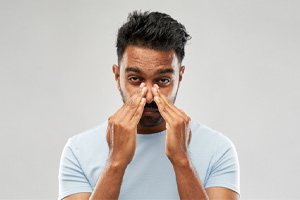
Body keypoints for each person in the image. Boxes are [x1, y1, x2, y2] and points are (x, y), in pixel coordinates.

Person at [58, 10, 240, 200]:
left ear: (180, 76)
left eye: (163, 81)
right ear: (117, 76)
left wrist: (182, 160)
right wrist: (116, 162)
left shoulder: (218, 149)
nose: (150, 96)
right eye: (135, 79)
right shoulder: (79, 150)